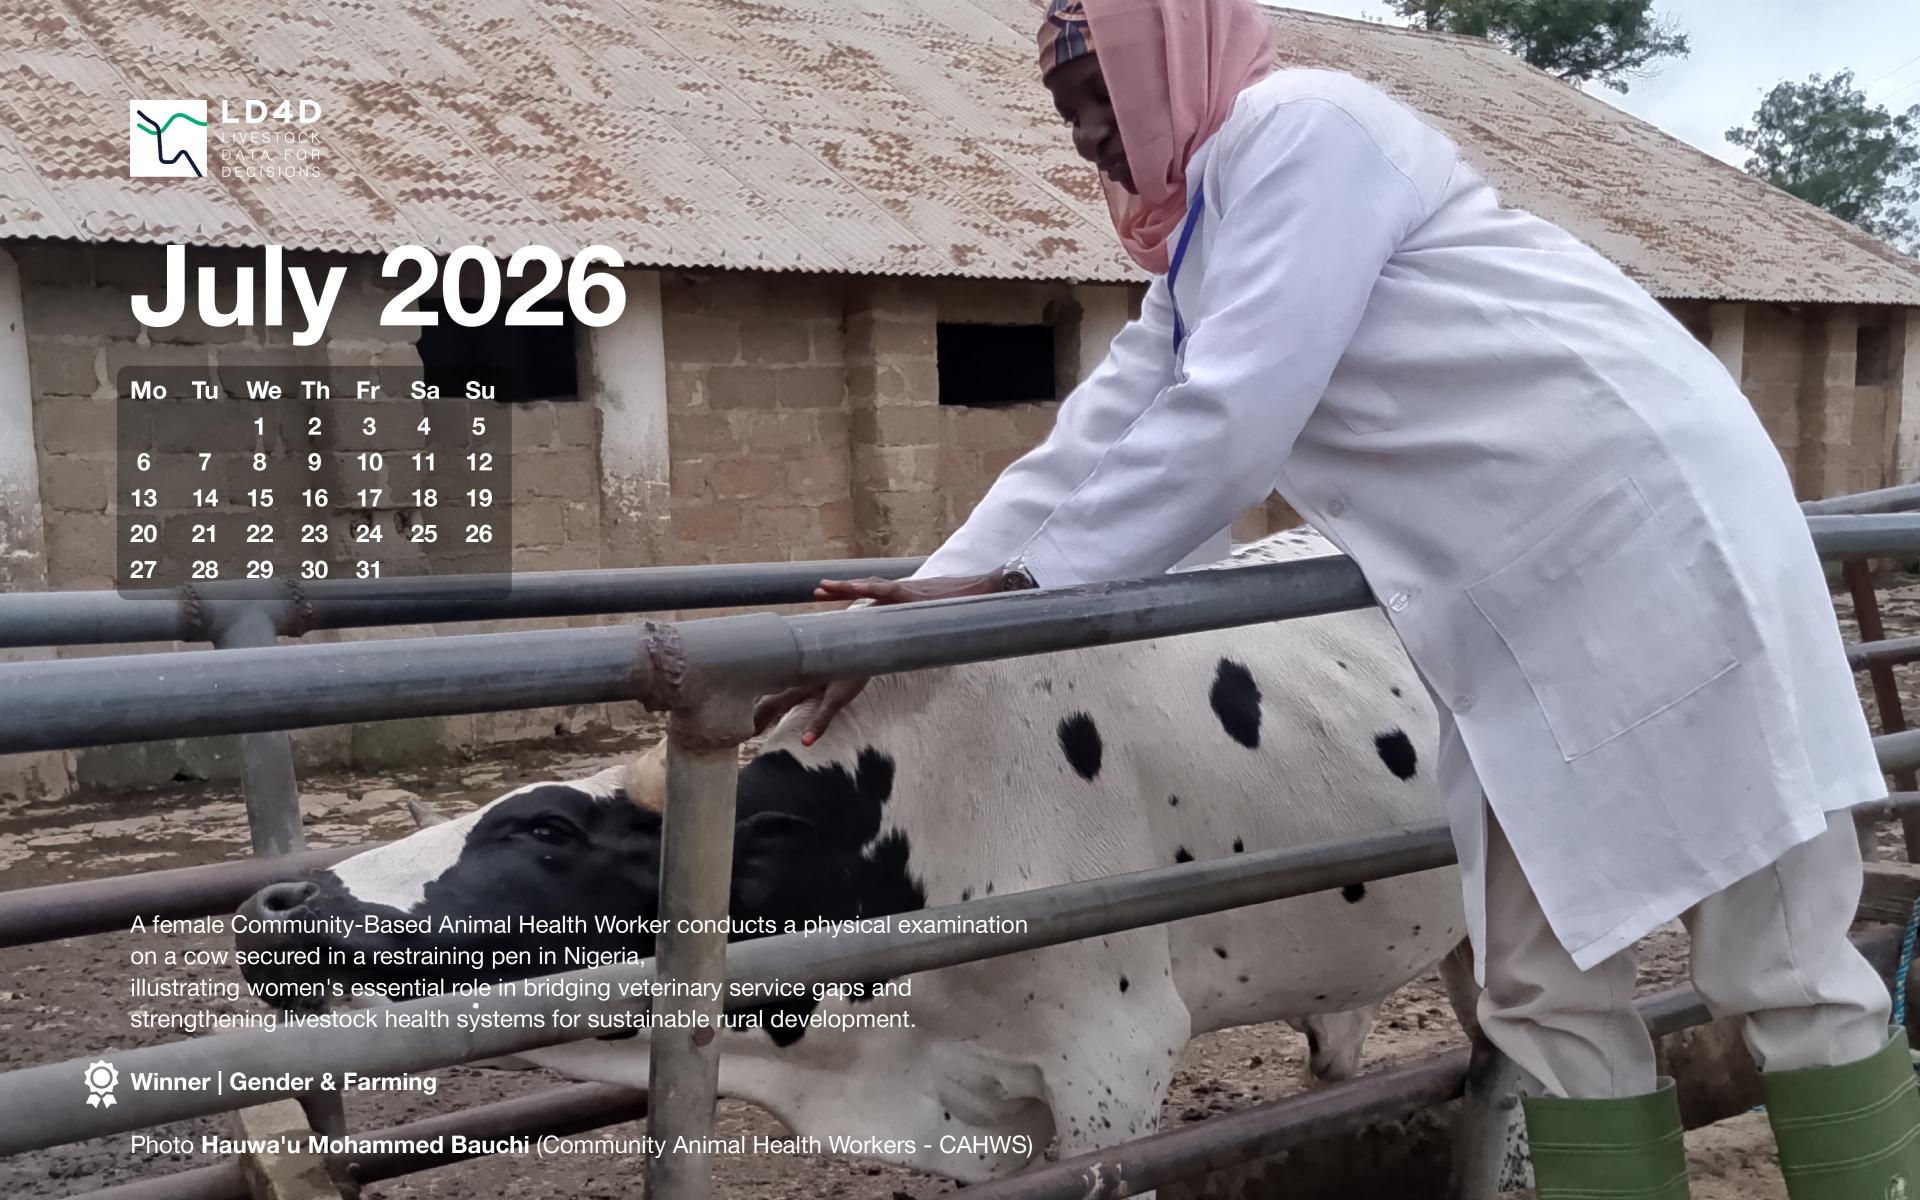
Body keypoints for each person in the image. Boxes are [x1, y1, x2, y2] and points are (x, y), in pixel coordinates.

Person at [755, 1, 1920, 1195]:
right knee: (1539, 983)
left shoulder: (1307, 133)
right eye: (1067, 113)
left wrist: (1016, 586)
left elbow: (1234, 418)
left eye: (1101, 97)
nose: (1086, 137)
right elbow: (1096, 441)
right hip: (1512, 620)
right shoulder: (1199, 244)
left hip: (1652, 545)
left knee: (1775, 957)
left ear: (1174, 62)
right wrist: (909, 618)